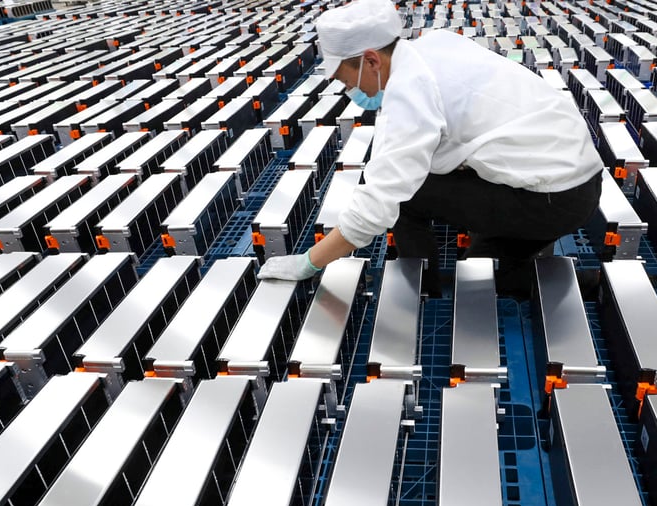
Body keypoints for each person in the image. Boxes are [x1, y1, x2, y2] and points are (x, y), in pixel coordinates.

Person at [257, 0, 603, 297]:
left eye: (348, 80)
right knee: (487, 272)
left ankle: (423, 288)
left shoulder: (410, 91)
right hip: (574, 178)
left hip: (552, 197)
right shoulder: (435, 44)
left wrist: (309, 262)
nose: (350, 90)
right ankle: (593, 284)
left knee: (409, 197)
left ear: (372, 60)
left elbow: (378, 206)